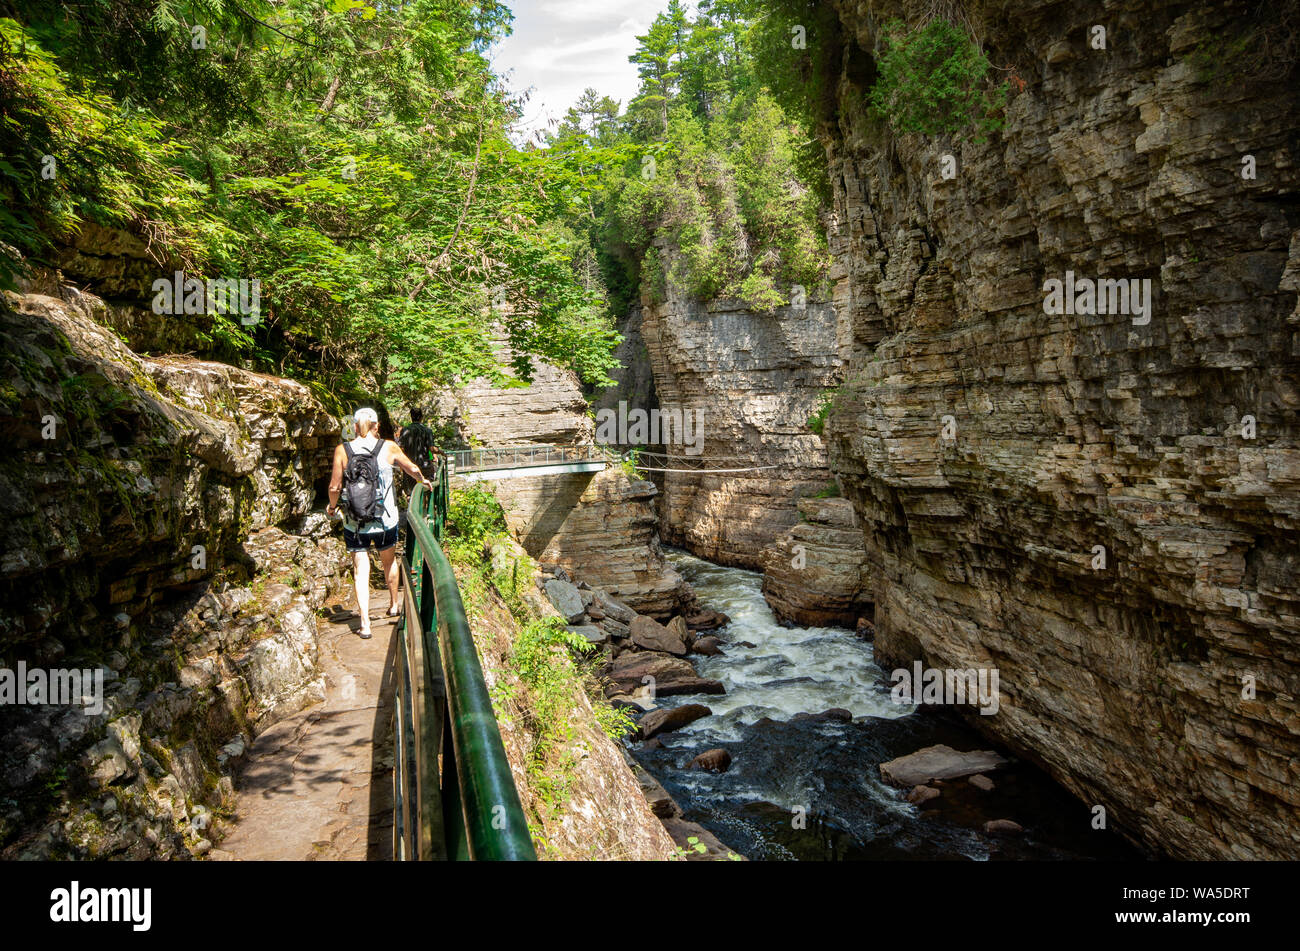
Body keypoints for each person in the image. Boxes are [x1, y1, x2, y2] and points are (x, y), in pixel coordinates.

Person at [327, 407, 430, 639]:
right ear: (377, 426)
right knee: (389, 562)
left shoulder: (342, 450)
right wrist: (423, 481)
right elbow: (412, 468)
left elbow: (334, 487)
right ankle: (394, 603)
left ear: (354, 426)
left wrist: (332, 508)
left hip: (355, 522)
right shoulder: (388, 446)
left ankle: (364, 624)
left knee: (360, 570)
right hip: (385, 519)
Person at [398, 405, 443, 480]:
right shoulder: (427, 431)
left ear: (411, 417)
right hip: (425, 467)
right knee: (427, 489)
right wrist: (441, 452)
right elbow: (432, 449)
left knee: (411, 491)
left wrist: (402, 465)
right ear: (421, 417)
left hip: (410, 467)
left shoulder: (405, 430)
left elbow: (401, 449)